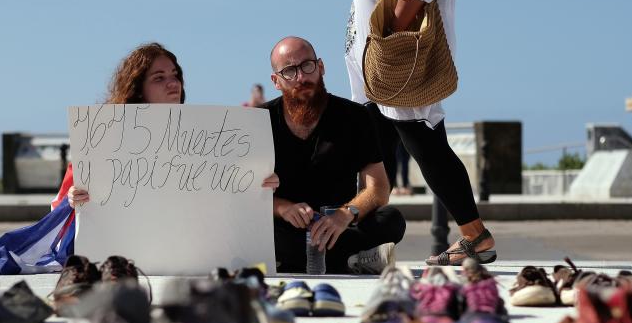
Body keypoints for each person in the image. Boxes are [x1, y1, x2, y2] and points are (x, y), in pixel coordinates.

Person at [344, 0, 496, 266]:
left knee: (426, 150)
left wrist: (386, 43)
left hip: (397, 68)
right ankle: (355, 245)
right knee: (375, 159)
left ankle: (475, 234)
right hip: (384, 75)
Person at [67, 43, 278, 208]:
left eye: (175, 75)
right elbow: (63, 204)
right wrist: (72, 199)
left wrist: (259, 182)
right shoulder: (102, 138)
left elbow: (227, 193)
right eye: (159, 78)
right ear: (138, 88)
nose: (173, 83)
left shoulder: (208, 138)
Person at [267, 36, 405, 274]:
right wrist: (283, 208)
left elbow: (379, 189)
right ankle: (350, 259)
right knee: (257, 230)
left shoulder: (355, 117)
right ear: (276, 81)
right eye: (289, 71)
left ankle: (318, 259)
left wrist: (345, 215)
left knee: (391, 219)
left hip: (340, 226)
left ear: (321, 67)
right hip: (284, 227)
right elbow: (241, 192)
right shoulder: (261, 119)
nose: (301, 77)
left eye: (307, 66)